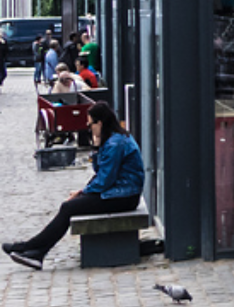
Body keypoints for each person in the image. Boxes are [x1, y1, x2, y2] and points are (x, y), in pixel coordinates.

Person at [8, 103, 144, 270]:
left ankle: (30, 248)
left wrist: (83, 193)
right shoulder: (114, 139)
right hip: (119, 193)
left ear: (99, 123)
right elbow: (101, 174)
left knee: (68, 207)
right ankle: (36, 251)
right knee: (69, 206)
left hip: (124, 197)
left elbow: (104, 180)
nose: (88, 128)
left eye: (90, 124)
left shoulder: (115, 143)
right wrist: (83, 191)